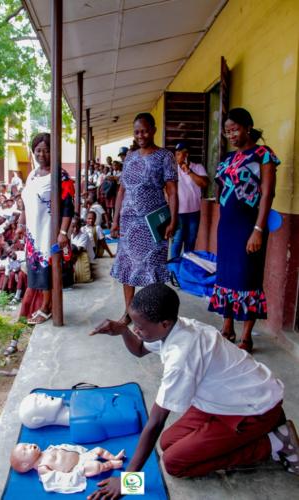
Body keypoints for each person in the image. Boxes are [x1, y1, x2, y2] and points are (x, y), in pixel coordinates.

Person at [88, 284, 299, 499]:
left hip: (254, 409)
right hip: (223, 401)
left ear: (164, 323)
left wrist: (127, 482)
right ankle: (254, 434)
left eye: (140, 327)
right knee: (166, 443)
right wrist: (122, 330)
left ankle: (275, 442)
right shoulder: (175, 327)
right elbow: (141, 350)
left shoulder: (181, 357)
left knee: (174, 463)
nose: (136, 330)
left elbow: (156, 423)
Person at [208, 108, 281, 353]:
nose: (231, 135)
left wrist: (258, 229)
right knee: (226, 276)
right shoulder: (228, 159)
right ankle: (227, 328)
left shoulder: (263, 155)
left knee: (248, 277)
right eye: (227, 131)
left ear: (248, 127)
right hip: (227, 227)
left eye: (235, 129)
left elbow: (268, 193)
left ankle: (247, 336)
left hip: (250, 227)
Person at [110, 112, 178, 324]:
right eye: (137, 131)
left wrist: (173, 221)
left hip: (152, 223)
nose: (141, 135)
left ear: (154, 130)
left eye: (145, 130)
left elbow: (173, 191)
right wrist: (114, 220)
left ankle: (152, 315)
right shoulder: (130, 157)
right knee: (127, 267)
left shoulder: (165, 156)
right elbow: (121, 191)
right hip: (129, 222)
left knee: (152, 271)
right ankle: (129, 312)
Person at [10, 132, 74, 327]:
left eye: (46, 150)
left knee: (47, 271)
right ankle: (44, 305)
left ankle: (46, 308)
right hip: (33, 234)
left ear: (53, 152)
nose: (42, 154)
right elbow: (27, 205)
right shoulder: (32, 174)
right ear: (33, 151)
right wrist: (21, 225)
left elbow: (68, 206)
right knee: (36, 270)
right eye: (38, 150)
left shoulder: (60, 175)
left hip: (49, 233)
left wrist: (63, 233)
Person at [10, 443, 124, 494]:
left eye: (26, 444)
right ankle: (111, 464)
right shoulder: (42, 468)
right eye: (25, 450)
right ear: (26, 465)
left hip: (81, 457)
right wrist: (77, 474)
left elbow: (65, 449)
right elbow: (59, 479)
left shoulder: (48, 449)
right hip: (78, 468)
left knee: (99, 450)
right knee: (96, 466)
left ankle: (114, 457)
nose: (29, 445)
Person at [171, 142, 208, 258]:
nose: (176, 157)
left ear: (186, 155)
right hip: (178, 212)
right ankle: (174, 271)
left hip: (194, 212)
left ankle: (186, 267)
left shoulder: (198, 167)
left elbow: (204, 183)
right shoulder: (172, 169)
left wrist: (189, 171)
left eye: (179, 154)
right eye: (175, 154)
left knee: (191, 241)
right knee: (177, 241)